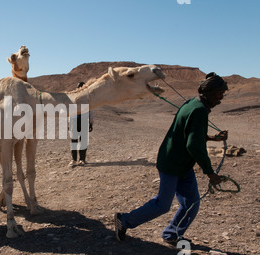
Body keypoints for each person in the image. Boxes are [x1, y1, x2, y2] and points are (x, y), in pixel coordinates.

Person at [115, 72, 229, 244]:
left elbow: (190, 134)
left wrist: (213, 138)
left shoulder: (193, 103)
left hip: (181, 164)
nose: (221, 97)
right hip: (172, 163)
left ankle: (172, 234)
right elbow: (194, 145)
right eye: (220, 93)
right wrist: (210, 172)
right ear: (211, 93)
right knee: (163, 204)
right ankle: (124, 220)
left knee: (191, 202)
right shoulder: (199, 111)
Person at [69, 82, 94, 166]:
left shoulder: (88, 99)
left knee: (83, 141)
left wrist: (91, 122)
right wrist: (69, 123)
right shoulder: (72, 99)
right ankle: (73, 159)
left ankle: (82, 159)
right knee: (74, 141)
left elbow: (91, 111)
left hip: (84, 121)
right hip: (74, 121)